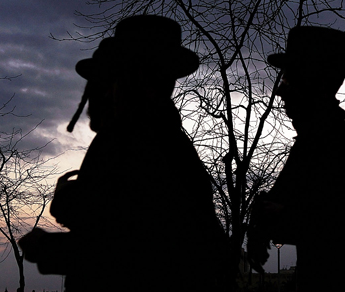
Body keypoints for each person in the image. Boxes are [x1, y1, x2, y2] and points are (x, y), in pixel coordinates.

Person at [19, 15, 230, 292]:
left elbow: (134, 251)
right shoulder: (162, 139)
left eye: (107, 81)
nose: (98, 95)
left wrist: (45, 247)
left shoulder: (134, 141)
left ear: (133, 81)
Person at [248, 26, 345, 291]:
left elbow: (340, 228)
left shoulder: (334, 143)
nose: (280, 91)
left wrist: (276, 217)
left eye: (288, 79)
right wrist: (266, 218)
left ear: (312, 82)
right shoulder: (318, 140)